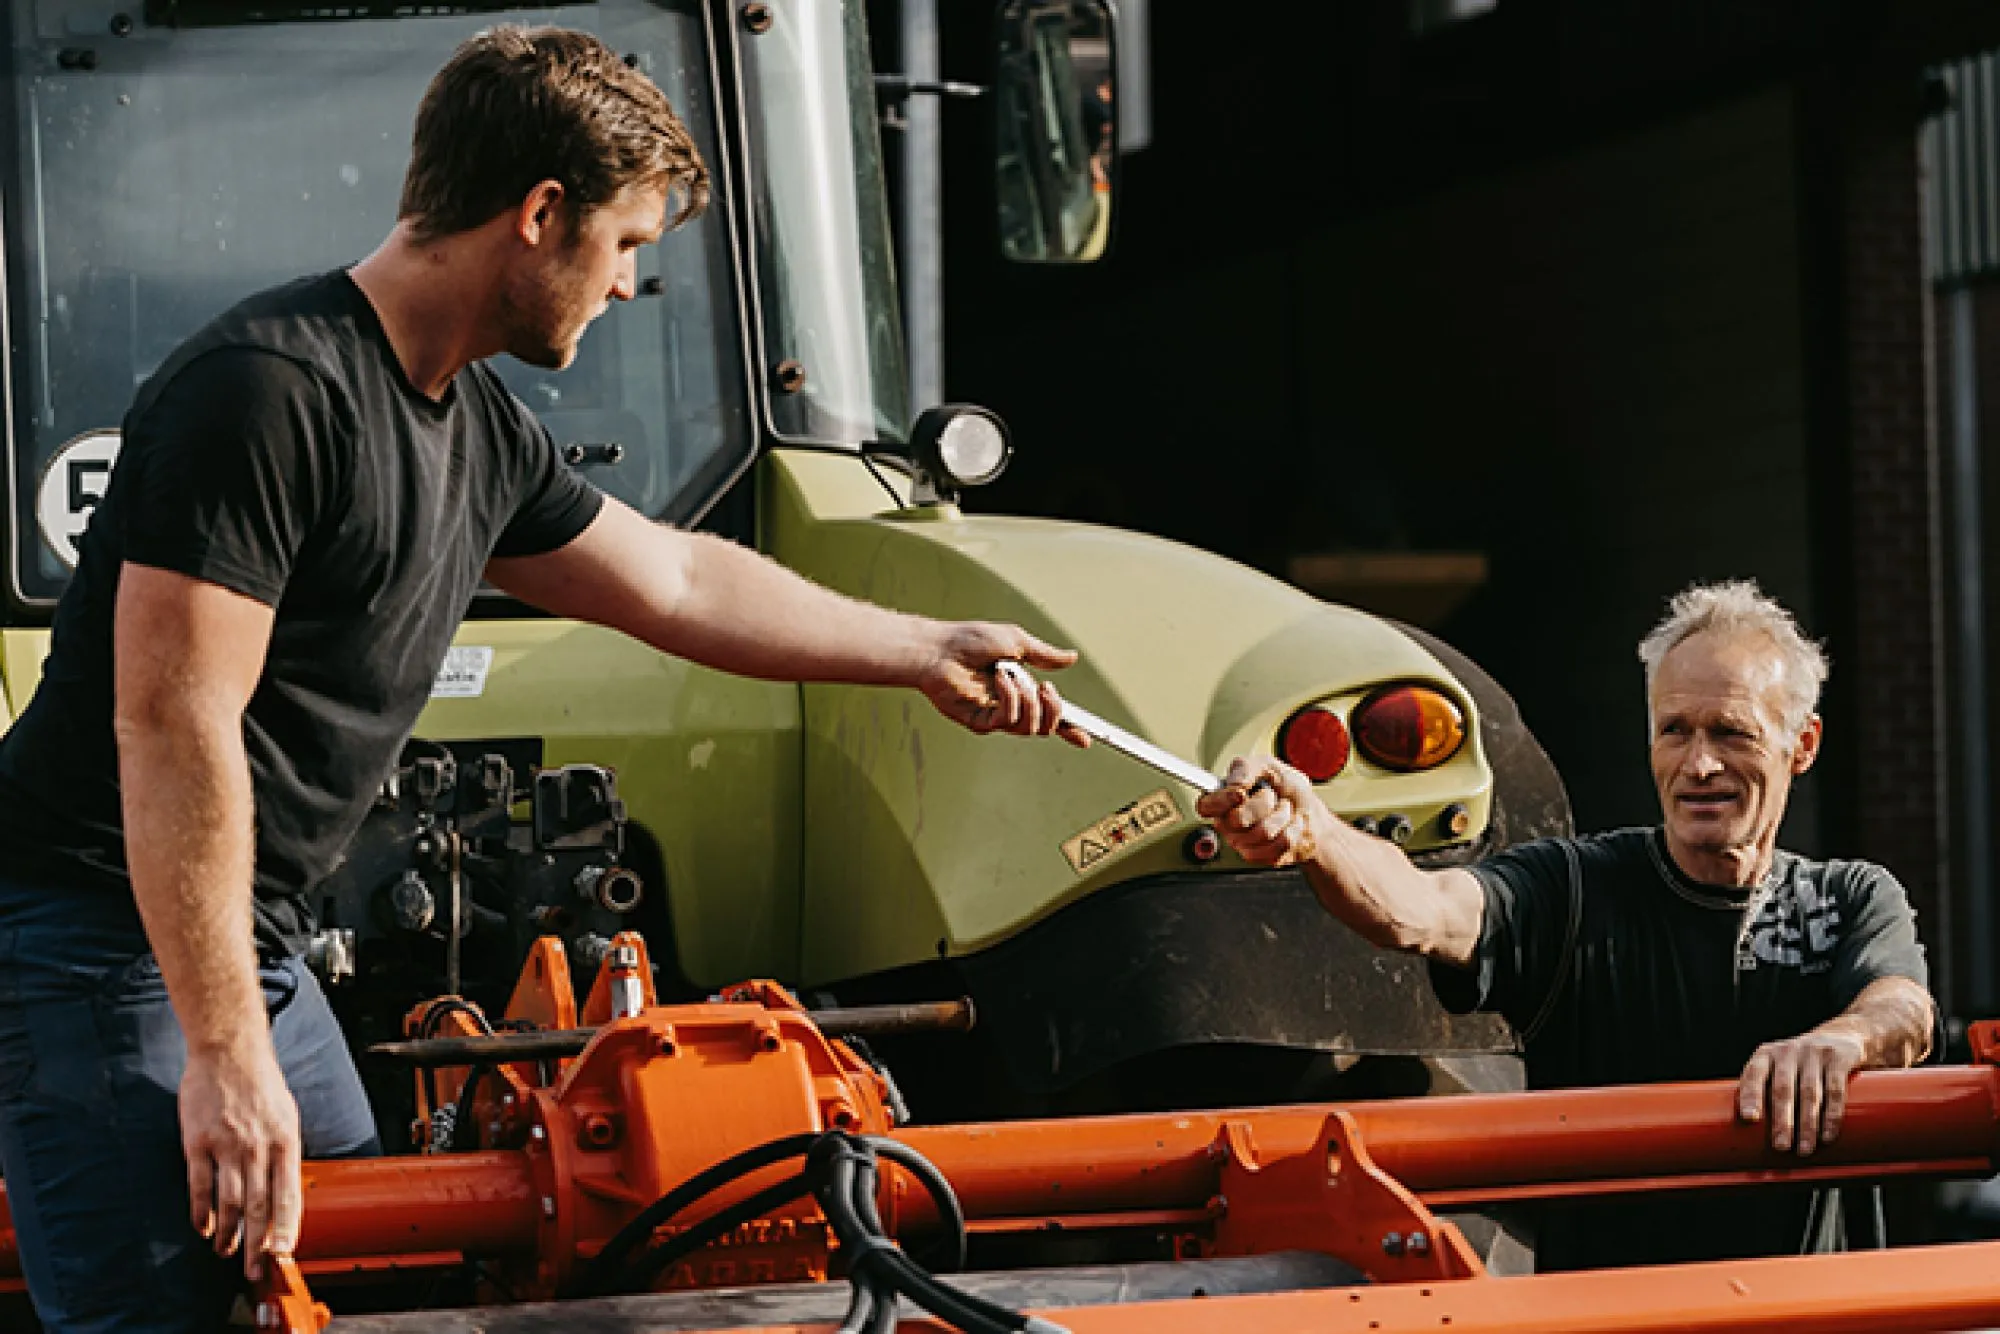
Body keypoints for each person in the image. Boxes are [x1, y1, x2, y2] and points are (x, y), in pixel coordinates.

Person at [0, 27, 1085, 1333]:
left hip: (251, 945)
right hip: (104, 947)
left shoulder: (472, 425)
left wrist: (923, 652)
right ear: (540, 214)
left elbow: (677, 583)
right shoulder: (271, 393)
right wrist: (226, 1057)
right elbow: (174, 721)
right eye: (627, 244)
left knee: (367, 1289)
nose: (630, 285)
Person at [1199, 580, 1938, 1271]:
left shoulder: (1847, 898)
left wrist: (1842, 1040)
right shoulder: (1575, 891)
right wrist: (1317, 834)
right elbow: (1419, 908)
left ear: (1801, 746)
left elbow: (1903, 1008)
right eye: (1674, 730)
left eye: (1732, 733)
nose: (1698, 763)